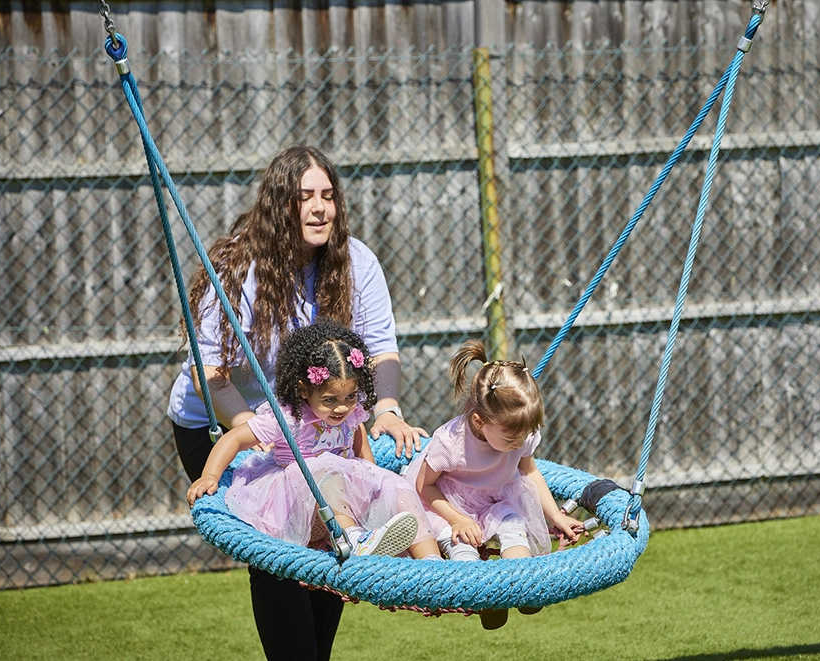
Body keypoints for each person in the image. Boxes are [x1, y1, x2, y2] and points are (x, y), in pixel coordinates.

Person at [167, 145, 427, 661]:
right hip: (225, 422)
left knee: (329, 533)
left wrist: (387, 408)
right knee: (278, 549)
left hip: (316, 424)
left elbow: (381, 349)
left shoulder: (354, 261)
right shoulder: (238, 266)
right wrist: (262, 432)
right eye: (305, 196)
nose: (320, 208)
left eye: (328, 195)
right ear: (280, 204)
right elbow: (209, 371)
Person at [187, 320, 441, 561]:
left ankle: (432, 561)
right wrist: (210, 475)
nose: (342, 408)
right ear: (303, 390)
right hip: (301, 505)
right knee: (325, 470)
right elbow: (232, 439)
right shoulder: (288, 419)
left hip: (342, 502)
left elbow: (360, 443)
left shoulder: (351, 414)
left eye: (350, 396)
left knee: (397, 486)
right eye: (330, 400)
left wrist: (374, 481)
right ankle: (353, 538)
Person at [408, 340, 586, 628]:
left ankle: (523, 584)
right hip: (448, 504)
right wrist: (457, 519)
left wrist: (556, 516)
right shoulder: (451, 442)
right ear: (479, 422)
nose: (518, 443)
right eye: (511, 439)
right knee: (460, 542)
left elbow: (530, 472)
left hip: (495, 498)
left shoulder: (519, 432)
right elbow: (423, 487)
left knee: (513, 524)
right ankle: (484, 598)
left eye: (524, 436)